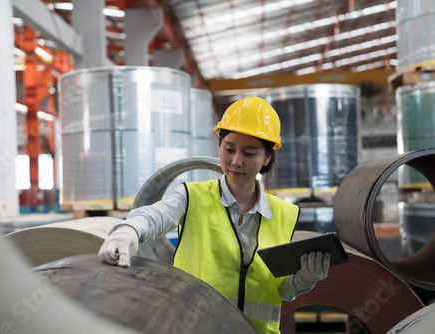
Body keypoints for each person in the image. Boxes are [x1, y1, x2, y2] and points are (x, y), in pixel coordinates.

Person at [98, 96, 331, 334]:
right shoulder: (192, 196)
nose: (236, 161)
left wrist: (303, 279)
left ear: (267, 158)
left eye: (249, 153)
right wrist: (128, 231)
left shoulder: (283, 214)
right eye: (229, 149)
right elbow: (157, 215)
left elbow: (280, 291)